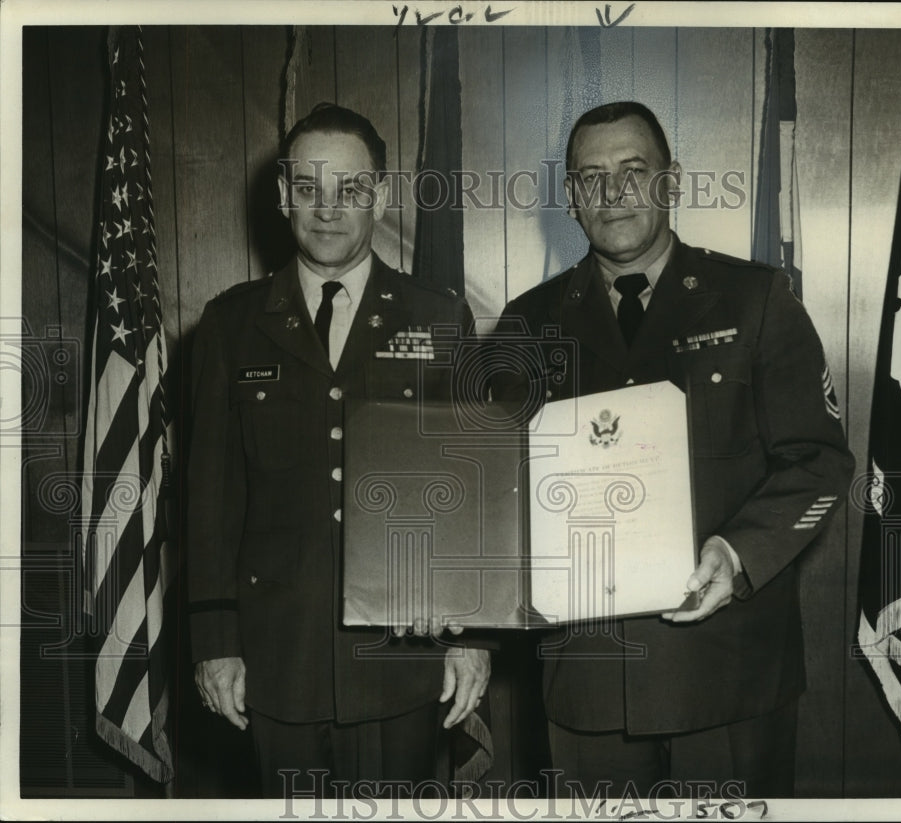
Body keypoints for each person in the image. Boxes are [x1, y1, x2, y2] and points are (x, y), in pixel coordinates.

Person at [490, 101, 855, 798]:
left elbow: (819, 461)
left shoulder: (756, 299)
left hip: (729, 672)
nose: (613, 193)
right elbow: (499, 489)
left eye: (634, 171)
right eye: (591, 177)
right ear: (570, 199)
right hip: (587, 679)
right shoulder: (527, 323)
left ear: (672, 181)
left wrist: (740, 552)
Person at [186, 102, 490, 797]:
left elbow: (471, 491)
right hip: (272, 659)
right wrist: (215, 639)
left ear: (379, 196)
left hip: (404, 659)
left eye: (350, 189)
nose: (328, 209)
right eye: (308, 188)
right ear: (282, 194)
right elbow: (209, 498)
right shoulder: (232, 323)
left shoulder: (437, 318)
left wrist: (474, 634)